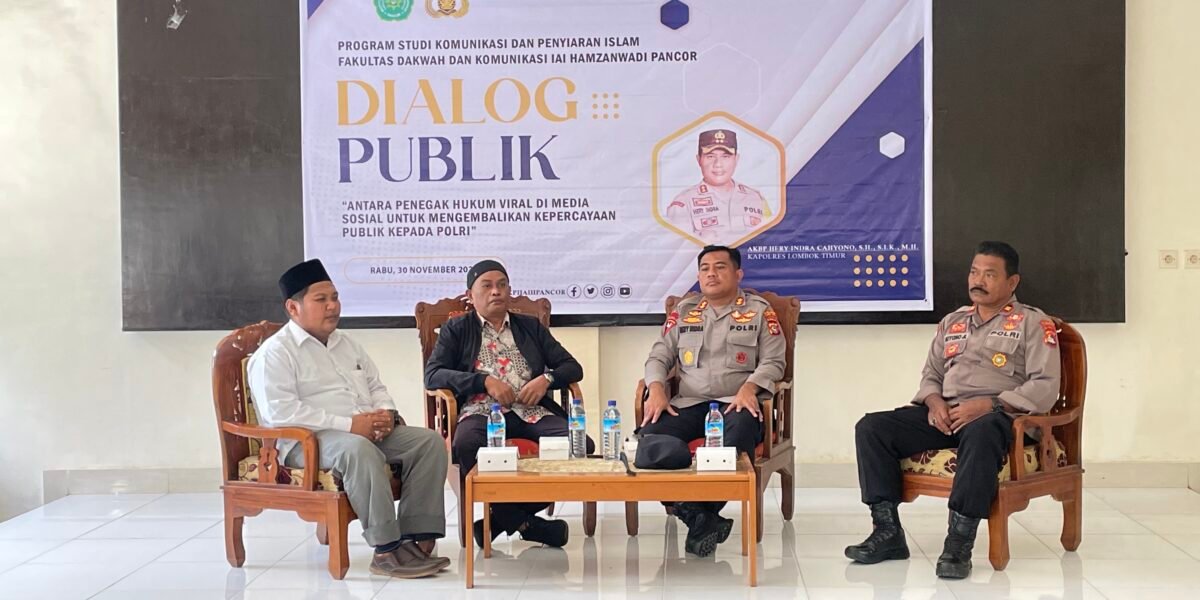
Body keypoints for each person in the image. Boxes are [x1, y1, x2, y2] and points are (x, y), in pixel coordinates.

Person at [845, 241, 1062, 579]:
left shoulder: (1033, 323)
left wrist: (989, 404)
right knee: (873, 428)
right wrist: (934, 403)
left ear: (1012, 282)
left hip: (1000, 417)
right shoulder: (953, 321)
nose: (978, 280)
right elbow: (931, 374)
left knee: (983, 430)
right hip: (948, 414)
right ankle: (887, 533)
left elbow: (1045, 386)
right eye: (974, 272)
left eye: (989, 274)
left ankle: (958, 544)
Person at [247, 259, 449, 578]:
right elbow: (280, 413)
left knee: (428, 442)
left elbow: (375, 386)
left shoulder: (347, 343)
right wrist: (351, 425)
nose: (332, 306)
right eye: (321, 299)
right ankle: (386, 550)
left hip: (361, 431)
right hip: (306, 443)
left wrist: (386, 414)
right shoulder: (275, 353)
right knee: (358, 450)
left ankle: (416, 540)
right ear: (293, 307)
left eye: (335, 297)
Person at [424, 259, 592, 548]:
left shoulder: (529, 327)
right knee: (466, 443)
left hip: (532, 411)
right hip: (482, 412)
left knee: (581, 445)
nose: (496, 291)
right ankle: (524, 523)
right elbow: (433, 375)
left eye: (502, 285)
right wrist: (484, 382)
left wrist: (546, 379)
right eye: (487, 286)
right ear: (470, 295)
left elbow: (572, 367)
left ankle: (501, 521)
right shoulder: (457, 329)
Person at [641, 245, 787, 556]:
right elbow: (659, 356)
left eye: (720, 267)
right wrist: (655, 388)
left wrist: (750, 387)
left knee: (736, 439)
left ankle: (698, 514)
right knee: (648, 440)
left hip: (736, 404)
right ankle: (702, 518)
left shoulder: (759, 311)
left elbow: (775, 361)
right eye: (705, 268)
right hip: (688, 403)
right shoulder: (684, 311)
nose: (711, 273)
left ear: (738, 274)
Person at [666, 129, 771, 244]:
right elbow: (675, 251)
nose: (718, 164)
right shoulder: (683, 203)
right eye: (710, 156)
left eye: (725, 156)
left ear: (736, 159)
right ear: (699, 160)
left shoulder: (756, 198)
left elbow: (772, 239)